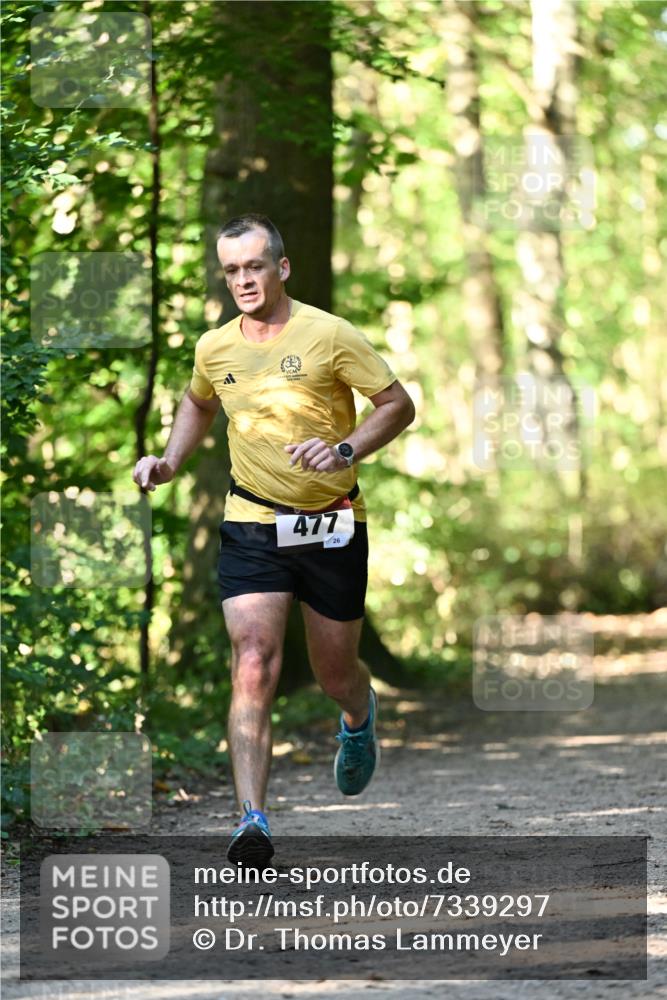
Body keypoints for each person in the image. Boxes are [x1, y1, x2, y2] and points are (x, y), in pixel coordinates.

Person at [133, 214, 415, 866]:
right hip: (252, 522)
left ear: (280, 268)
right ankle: (251, 820)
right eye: (231, 269)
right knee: (253, 661)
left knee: (333, 672)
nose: (242, 280)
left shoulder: (330, 335)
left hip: (332, 521)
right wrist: (170, 463)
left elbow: (397, 405)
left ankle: (357, 716)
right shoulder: (215, 347)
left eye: (253, 266)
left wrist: (344, 447)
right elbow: (200, 403)